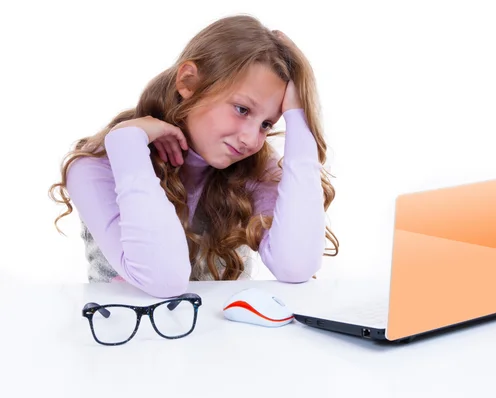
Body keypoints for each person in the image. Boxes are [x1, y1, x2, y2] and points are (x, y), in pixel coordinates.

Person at [48, 15, 339, 298]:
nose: (252, 139)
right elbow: (164, 279)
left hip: (219, 345)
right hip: (126, 340)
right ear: (188, 82)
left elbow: (296, 264)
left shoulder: (254, 168)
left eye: (267, 124)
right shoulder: (97, 165)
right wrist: (127, 143)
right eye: (241, 109)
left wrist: (300, 119)